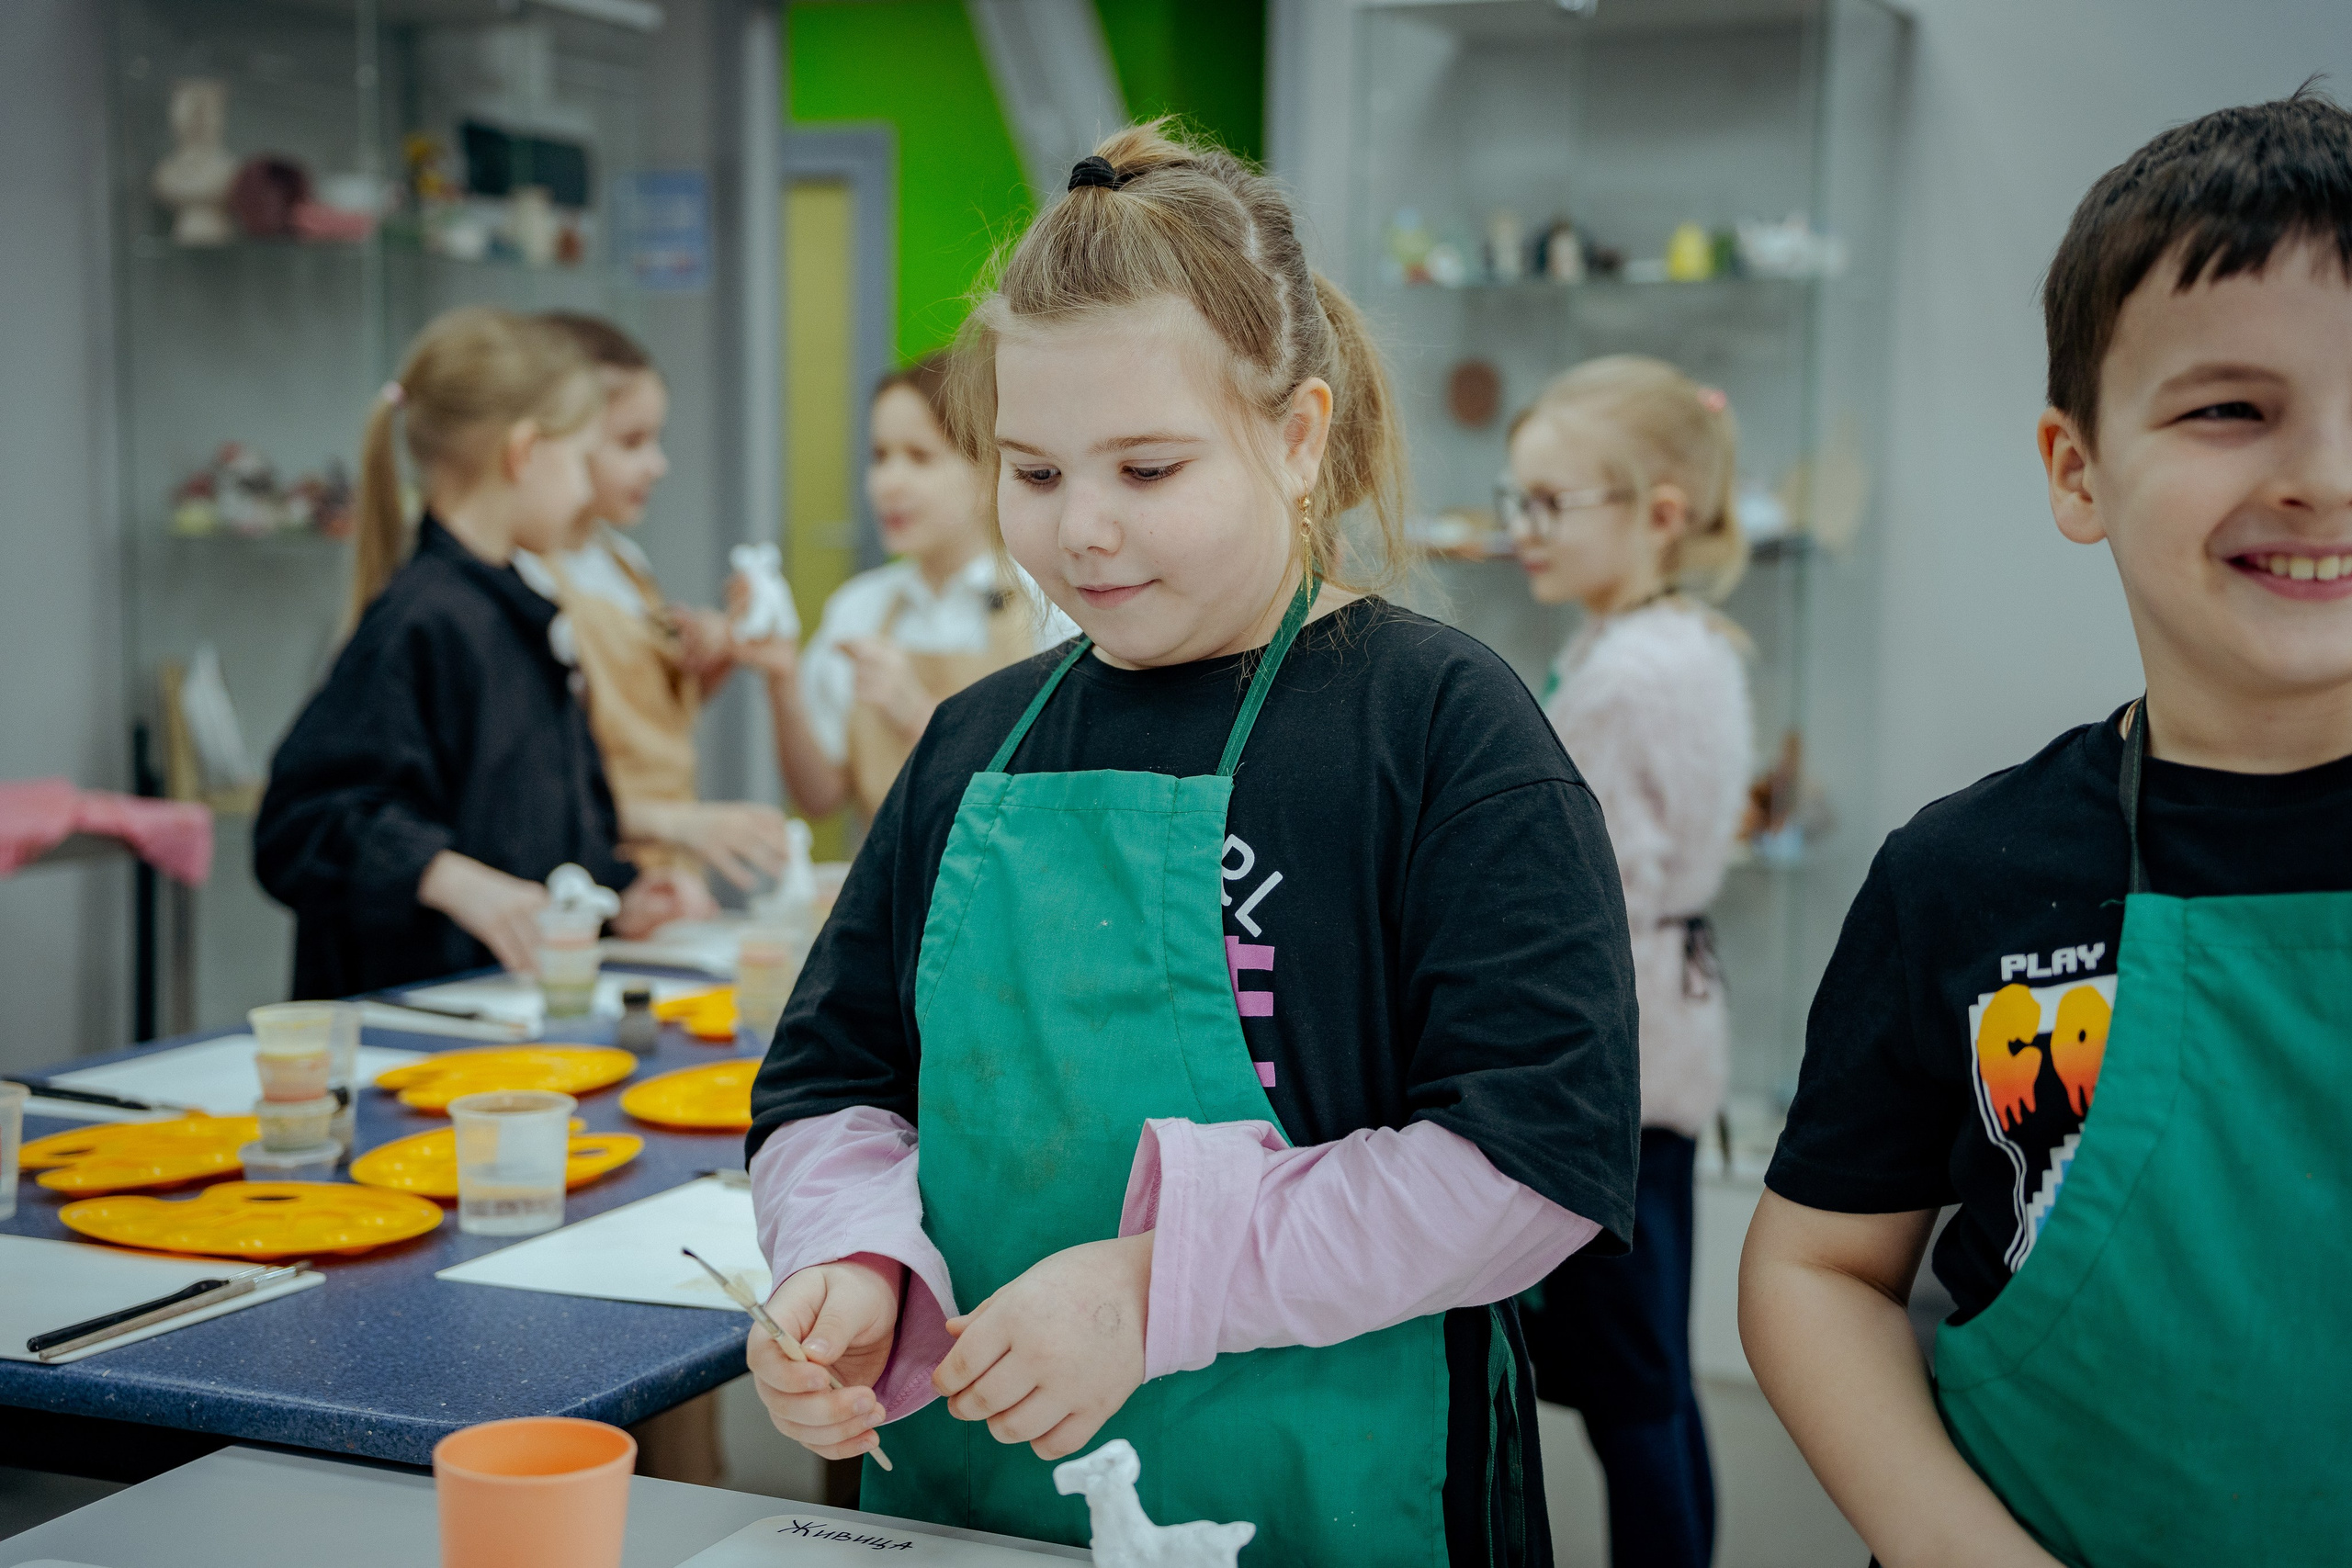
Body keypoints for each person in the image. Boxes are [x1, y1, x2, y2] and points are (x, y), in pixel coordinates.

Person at [739, 121, 1642, 1567]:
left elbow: (1527, 1164)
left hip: (1344, 1498)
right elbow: (832, 1084)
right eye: (1032, 475)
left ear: (1297, 436)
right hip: (986, 1507)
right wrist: (847, 1255)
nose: (1082, 531)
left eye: (1148, 469)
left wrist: (1158, 1288)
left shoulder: (1439, 727)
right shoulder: (978, 740)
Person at [1740, 91, 2352, 1567]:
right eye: (2230, 407)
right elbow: (1818, 1261)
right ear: (2078, 469)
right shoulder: (1965, 873)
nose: (2324, 472)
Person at [1505, 355, 1752, 1568]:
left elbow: (1590, 885)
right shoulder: (1673, 644)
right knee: (1648, 1375)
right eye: (1522, 502)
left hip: (1617, 1057)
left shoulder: (1633, 671)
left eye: (1553, 504)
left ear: (1658, 512)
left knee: (1630, 1385)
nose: (1525, 531)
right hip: (1659, 1043)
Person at [255, 307, 684, 998]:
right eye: (578, 459)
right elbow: (298, 824)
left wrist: (619, 892)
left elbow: (544, 821)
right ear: (522, 454)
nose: (583, 488)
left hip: (504, 1019)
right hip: (416, 1037)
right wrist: (444, 875)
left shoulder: (517, 614)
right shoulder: (422, 620)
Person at [734, 351, 1075, 821]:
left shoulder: (1052, 607)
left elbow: (1048, 804)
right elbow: (819, 798)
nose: (887, 483)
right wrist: (781, 681)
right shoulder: (858, 609)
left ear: (987, 470)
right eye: (879, 457)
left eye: (920, 457)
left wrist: (915, 712)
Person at [524, 311, 787, 896]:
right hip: (581, 879)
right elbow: (546, 782)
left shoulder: (623, 562)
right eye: (630, 443)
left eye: (655, 440)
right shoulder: (528, 583)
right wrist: (686, 824)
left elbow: (647, 725)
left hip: (666, 870)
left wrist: (708, 658)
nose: (657, 465)